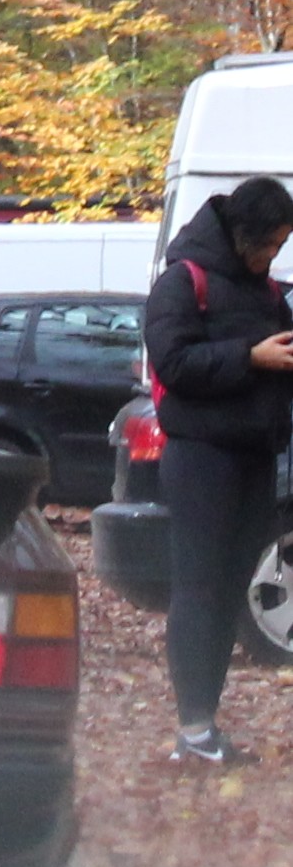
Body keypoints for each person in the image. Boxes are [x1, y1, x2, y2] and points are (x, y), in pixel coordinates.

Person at [145, 174, 293, 763]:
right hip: (201, 458)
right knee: (198, 590)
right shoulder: (183, 281)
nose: (275, 256)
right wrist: (250, 356)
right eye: (272, 244)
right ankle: (192, 727)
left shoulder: (265, 291)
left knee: (232, 591)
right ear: (243, 234)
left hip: (255, 457)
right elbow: (174, 362)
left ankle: (204, 730)